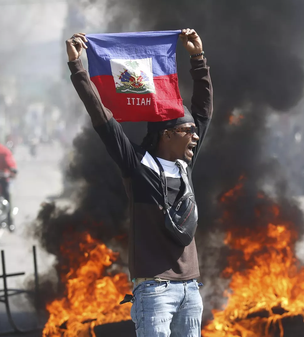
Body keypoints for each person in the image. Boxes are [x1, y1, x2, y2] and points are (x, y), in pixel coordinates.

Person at [66, 28, 212, 337]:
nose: (195, 136)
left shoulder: (184, 166)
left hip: (191, 290)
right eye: (188, 130)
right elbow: (102, 117)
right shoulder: (137, 165)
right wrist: (78, 68)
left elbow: (203, 112)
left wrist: (198, 58)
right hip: (155, 292)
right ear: (167, 135)